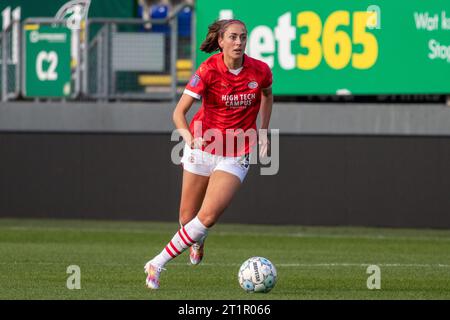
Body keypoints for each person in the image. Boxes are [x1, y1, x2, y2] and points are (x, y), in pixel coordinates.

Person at [144, 19, 273, 289]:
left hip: (237, 152)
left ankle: (156, 263)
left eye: (243, 37)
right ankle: (197, 240)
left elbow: (267, 95)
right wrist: (190, 139)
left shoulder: (260, 70)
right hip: (202, 147)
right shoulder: (208, 70)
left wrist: (263, 130)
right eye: (233, 37)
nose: (239, 42)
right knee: (186, 219)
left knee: (208, 216)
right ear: (221, 41)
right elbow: (178, 113)